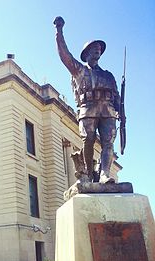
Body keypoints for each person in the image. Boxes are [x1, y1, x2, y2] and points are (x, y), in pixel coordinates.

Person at [53, 16, 120, 184]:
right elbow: (64, 55)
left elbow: (117, 97)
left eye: (99, 48)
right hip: (88, 108)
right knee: (88, 139)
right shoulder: (80, 71)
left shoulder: (108, 75)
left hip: (108, 111)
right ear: (87, 53)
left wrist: (121, 111)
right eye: (94, 47)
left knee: (108, 143)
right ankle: (89, 174)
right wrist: (59, 31)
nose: (98, 49)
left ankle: (104, 173)